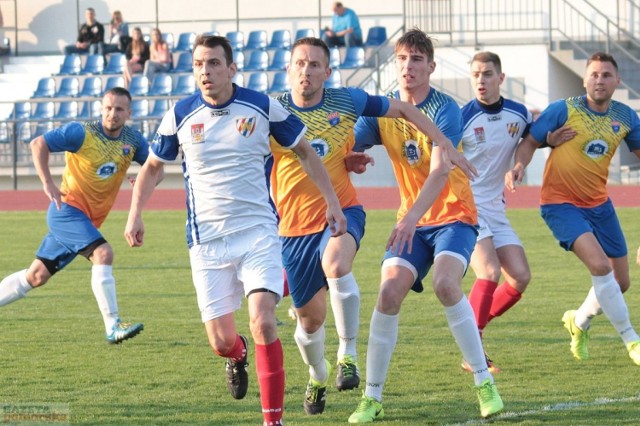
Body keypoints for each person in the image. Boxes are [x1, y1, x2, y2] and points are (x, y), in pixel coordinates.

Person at [123, 34, 347, 426]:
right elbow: (154, 167)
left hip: (258, 234)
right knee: (222, 341)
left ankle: (272, 421)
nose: (205, 72)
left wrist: (332, 202)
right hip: (206, 242)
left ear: (231, 68)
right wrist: (134, 214)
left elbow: (306, 152)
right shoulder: (179, 116)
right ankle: (237, 356)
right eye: (198, 64)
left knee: (262, 320)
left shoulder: (262, 107)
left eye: (212, 63)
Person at [271, 36, 478, 416]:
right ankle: (319, 374)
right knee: (309, 322)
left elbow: (404, 113)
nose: (306, 70)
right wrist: (351, 158)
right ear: (288, 68)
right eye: (300, 63)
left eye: (315, 64)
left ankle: (350, 356)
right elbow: (352, 144)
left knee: (342, 264)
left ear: (327, 71)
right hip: (294, 226)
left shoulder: (353, 99)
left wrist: (444, 143)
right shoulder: (274, 111)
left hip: (367, 212)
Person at [346, 29, 504, 423]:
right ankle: (372, 397)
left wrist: (412, 218)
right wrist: (349, 159)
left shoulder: (444, 109)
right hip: (413, 220)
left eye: (417, 59)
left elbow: (439, 172)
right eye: (402, 59)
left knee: (446, 284)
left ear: (430, 67)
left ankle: (484, 383)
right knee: (388, 293)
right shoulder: (383, 112)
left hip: (453, 216)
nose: (408, 66)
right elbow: (348, 146)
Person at [506, 51, 640, 366]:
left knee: (620, 283)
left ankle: (578, 322)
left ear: (617, 81)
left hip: (600, 205)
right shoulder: (563, 110)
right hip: (560, 204)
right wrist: (519, 166)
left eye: (606, 75)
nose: (599, 80)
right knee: (601, 267)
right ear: (585, 79)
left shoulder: (626, 117)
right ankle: (632, 339)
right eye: (594, 74)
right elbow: (528, 142)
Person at [0, 87, 155, 345]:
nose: (112, 114)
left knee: (36, 276)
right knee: (104, 253)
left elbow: (154, 167)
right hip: (67, 211)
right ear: (101, 108)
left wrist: (143, 178)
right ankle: (113, 325)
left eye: (119, 109)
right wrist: (47, 182)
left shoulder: (134, 140)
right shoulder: (82, 132)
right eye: (107, 108)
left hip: (87, 220)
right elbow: (39, 143)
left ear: (129, 112)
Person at [459, 51, 533, 373]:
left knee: (519, 278)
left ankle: (471, 324)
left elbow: (530, 140)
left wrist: (518, 164)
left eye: (487, 74)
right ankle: (473, 353)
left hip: (496, 208)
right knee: (488, 273)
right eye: (475, 74)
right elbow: (440, 152)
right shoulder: (462, 116)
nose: (480, 80)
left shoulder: (519, 113)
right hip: (468, 205)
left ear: (500, 78)